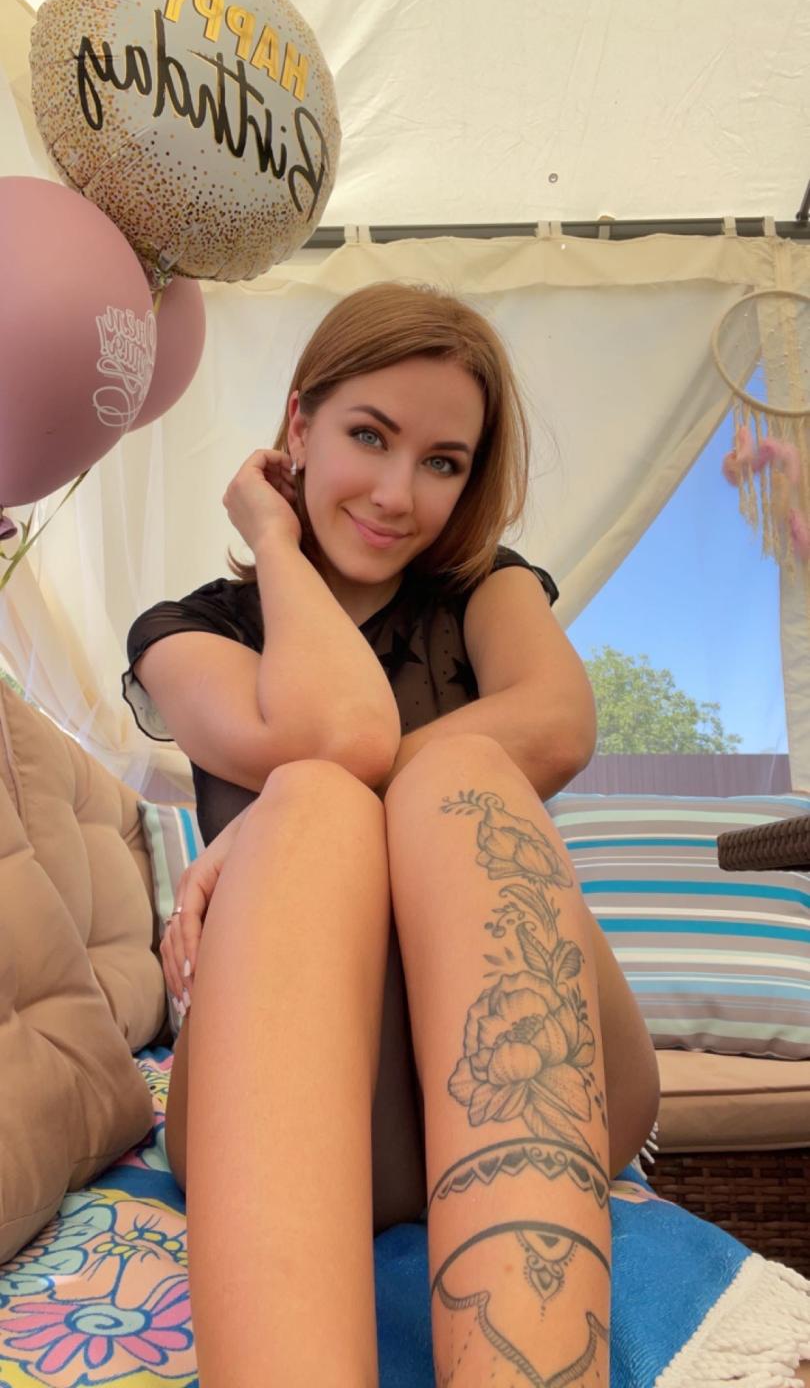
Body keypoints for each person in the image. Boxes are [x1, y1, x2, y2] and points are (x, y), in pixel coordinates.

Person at [123, 281, 660, 1388]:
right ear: (299, 425)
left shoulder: (486, 592)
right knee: (318, 801)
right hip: (299, 1107)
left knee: (450, 776)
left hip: (533, 1071)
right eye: (368, 436)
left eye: (443, 462)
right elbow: (344, 730)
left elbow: (559, 727)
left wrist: (255, 825)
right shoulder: (187, 634)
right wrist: (274, 539)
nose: (397, 494)